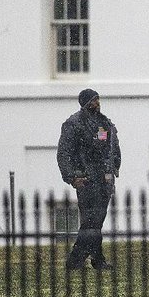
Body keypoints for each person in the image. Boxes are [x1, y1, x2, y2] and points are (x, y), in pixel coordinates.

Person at [57, 88, 121, 270]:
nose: (97, 103)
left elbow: (113, 148)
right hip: (85, 179)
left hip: (104, 180)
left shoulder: (104, 123)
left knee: (97, 221)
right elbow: (64, 153)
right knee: (90, 221)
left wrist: (113, 168)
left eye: (98, 99)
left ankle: (94, 259)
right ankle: (78, 259)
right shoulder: (73, 124)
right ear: (85, 103)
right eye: (93, 100)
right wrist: (72, 176)